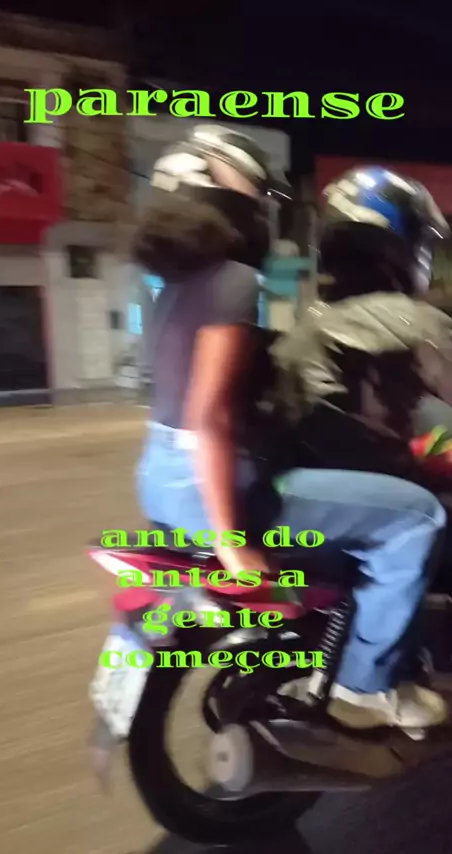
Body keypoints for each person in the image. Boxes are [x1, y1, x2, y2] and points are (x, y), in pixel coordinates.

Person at [133, 130, 448, 730]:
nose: (260, 208)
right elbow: (209, 416)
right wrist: (231, 541)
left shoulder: (169, 291)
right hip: (221, 489)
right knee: (418, 517)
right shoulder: (233, 282)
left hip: (161, 484)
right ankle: (367, 686)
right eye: (254, 195)